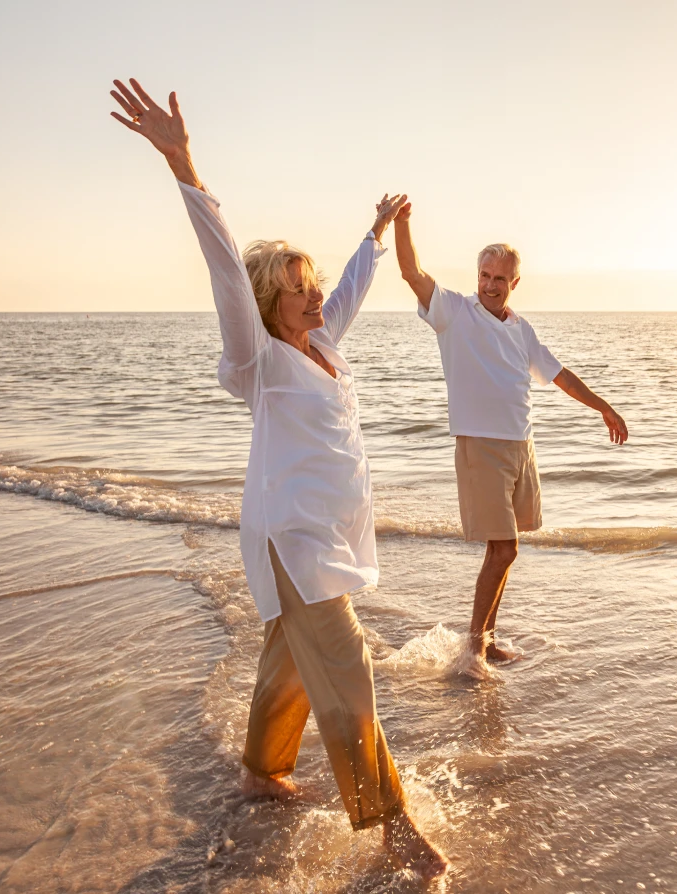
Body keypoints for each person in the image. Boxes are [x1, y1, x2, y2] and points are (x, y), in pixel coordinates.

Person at [108, 78, 447, 879]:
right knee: (344, 661)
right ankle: (390, 823)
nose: (313, 295)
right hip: (292, 539)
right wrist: (184, 164)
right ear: (267, 304)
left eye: (312, 282)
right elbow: (228, 271)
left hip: (324, 533)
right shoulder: (257, 362)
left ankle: (262, 770)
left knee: (290, 663)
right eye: (294, 289)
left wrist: (373, 234)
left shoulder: (323, 346)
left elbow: (355, 288)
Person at [393, 201, 628, 666]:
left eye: (500, 278)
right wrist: (402, 223)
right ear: (476, 275)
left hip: (522, 446)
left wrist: (603, 407)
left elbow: (559, 375)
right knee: (503, 547)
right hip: (480, 444)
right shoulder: (454, 313)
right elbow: (410, 271)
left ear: (514, 283)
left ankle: (484, 640)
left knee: (508, 549)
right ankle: (475, 649)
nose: (490, 285)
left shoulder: (521, 328)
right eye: (485, 275)